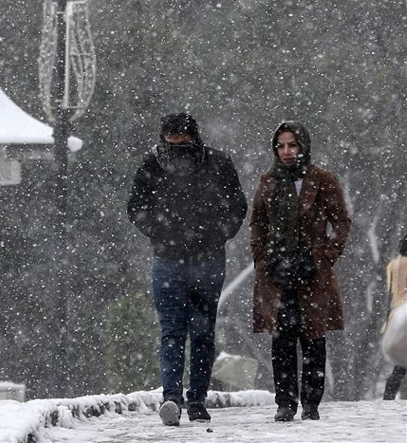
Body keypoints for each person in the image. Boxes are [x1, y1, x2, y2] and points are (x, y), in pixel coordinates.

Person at [127, 112, 247, 426]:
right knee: (175, 332)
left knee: (200, 334)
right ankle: (174, 397)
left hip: (204, 260)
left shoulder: (218, 164)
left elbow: (237, 205)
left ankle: (194, 398)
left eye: (182, 138)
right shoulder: (152, 165)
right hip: (170, 260)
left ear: (193, 136)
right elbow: (136, 207)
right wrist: (161, 232)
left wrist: (216, 233)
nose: (177, 144)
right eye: (171, 138)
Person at [250, 121, 351, 422]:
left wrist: (324, 256)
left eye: (292, 145)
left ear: (303, 145)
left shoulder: (321, 178)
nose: (286, 151)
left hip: (312, 272)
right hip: (277, 272)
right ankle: (285, 403)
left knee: (313, 338)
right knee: (282, 339)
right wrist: (263, 259)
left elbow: (342, 222)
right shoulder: (268, 180)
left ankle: (311, 403)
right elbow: (258, 223)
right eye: (281, 145)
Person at [383, 233, 407, 400]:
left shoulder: (394, 265)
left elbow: (391, 293)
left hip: (397, 315)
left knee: (400, 365)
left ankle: (388, 397)